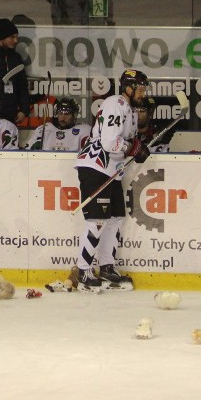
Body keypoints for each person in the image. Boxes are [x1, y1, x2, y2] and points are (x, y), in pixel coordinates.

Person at [73, 68, 151, 291]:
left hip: (112, 171)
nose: (143, 93)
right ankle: (84, 272)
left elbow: (126, 143)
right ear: (128, 88)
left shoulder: (130, 111)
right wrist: (131, 147)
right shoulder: (115, 103)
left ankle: (106, 266)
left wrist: (138, 146)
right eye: (140, 88)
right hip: (95, 167)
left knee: (116, 218)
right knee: (96, 220)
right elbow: (109, 143)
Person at [27, 97, 92, 151]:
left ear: (74, 115)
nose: (62, 117)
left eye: (67, 114)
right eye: (60, 113)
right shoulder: (44, 130)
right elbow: (27, 151)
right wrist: (33, 149)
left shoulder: (84, 130)